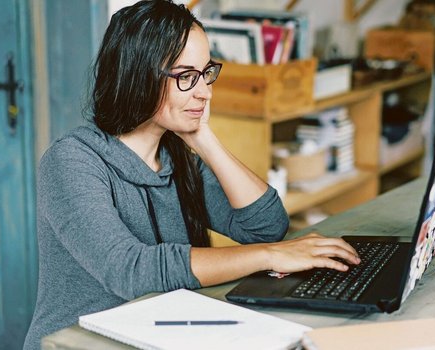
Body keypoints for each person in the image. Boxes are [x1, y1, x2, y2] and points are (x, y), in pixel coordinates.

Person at [23, 1, 359, 349]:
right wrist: (269, 254)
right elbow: (131, 270)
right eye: (186, 77)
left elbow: (266, 226)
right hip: (78, 343)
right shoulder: (71, 161)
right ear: (139, 76)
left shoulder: (178, 157)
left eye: (206, 73)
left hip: (160, 335)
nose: (205, 91)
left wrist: (205, 139)